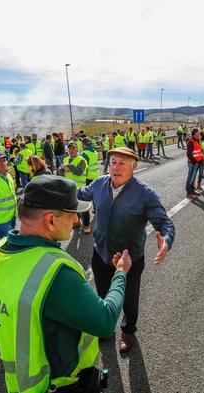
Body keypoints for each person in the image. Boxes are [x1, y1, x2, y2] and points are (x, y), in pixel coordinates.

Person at [0, 175, 131, 393]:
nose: (77, 221)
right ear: (50, 220)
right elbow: (104, 322)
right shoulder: (54, 272)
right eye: (71, 215)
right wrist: (121, 273)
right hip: (61, 384)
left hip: (19, 382)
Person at [77, 147, 175, 354]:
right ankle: (105, 328)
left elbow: (164, 223)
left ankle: (128, 331)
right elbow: (79, 195)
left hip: (129, 260)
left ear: (134, 166)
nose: (116, 167)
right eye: (113, 162)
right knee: (103, 297)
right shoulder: (99, 184)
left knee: (129, 300)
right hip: (101, 255)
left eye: (122, 163)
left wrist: (166, 241)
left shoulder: (145, 194)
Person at [59, 142, 89, 233]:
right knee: (73, 207)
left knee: (83, 208)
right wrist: (63, 169)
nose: (71, 150)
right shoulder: (65, 159)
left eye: (73, 148)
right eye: (69, 149)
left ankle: (87, 225)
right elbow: (60, 172)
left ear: (77, 149)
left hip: (80, 188)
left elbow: (79, 172)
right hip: (69, 188)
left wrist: (69, 167)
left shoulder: (81, 160)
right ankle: (77, 222)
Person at [185, 128, 204, 198]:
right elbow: (189, 154)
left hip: (196, 163)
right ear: (195, 134)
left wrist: (200, 160)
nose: (199, 134)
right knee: (190, 178)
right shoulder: (191, 141)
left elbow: (198, 152)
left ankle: (192, 190)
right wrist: (194, 162)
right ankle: (188, 192)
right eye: (198, 133)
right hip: (192, 163)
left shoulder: (197, 141)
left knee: (193, 178)